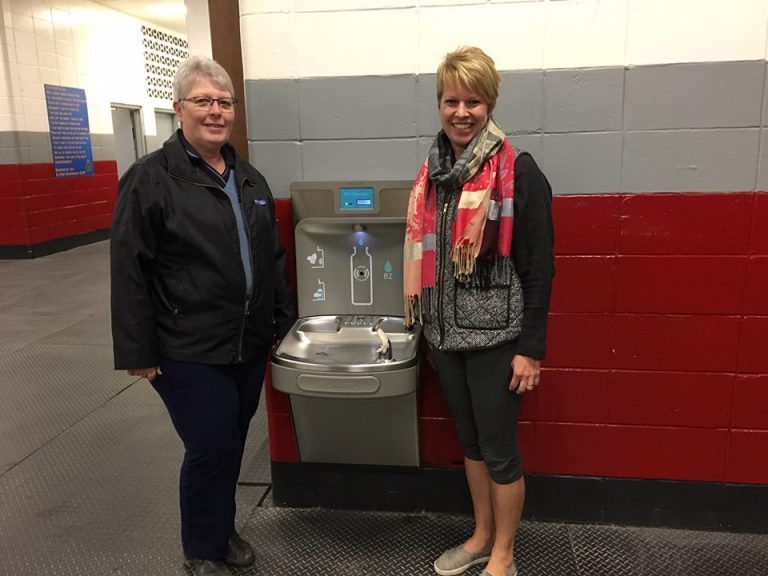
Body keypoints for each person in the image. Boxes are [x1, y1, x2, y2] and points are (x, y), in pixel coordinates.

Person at [110, 56, 295, 576]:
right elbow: (128, 269)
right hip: (186, 346)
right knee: (210, 442)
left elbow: (271, 259)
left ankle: (221, 528)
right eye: (203, 101)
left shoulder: (250, 179)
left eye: (224, 102)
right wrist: (138, 351)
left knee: (231, 441)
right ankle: (202, 549)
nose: (215, 111)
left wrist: (283, 322)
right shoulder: (150, 179)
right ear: (180, 108)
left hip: (247, 344)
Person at [404, 47, 554, 576]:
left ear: (489, 104)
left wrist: (530, 351)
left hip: (496, 341)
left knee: (499, 451)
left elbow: (539, 268)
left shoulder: (519, 170)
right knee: (469, 445)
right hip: (445, 337)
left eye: (474, 101)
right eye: (451, 100)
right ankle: (482, 535)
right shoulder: (434, 171)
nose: (461, 112)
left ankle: (506, 555)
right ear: (439, 105)